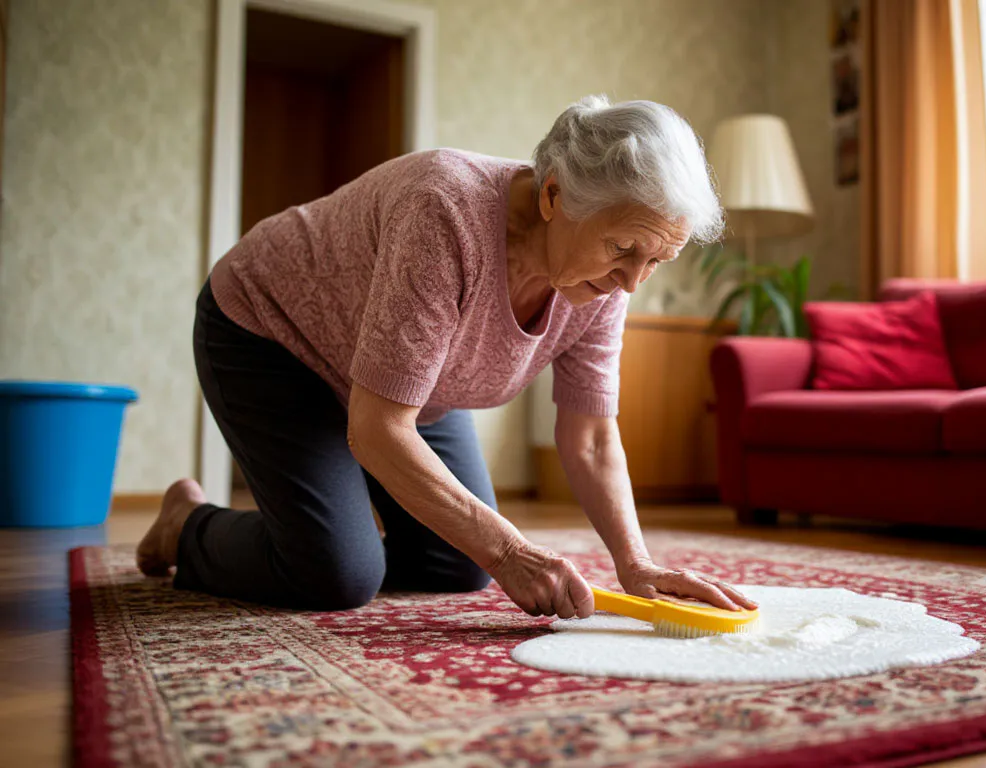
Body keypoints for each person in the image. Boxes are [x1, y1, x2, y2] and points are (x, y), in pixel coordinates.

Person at [137, 95, 757, 620]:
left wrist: (636, 563)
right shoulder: (445, 210)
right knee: (337, 574)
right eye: (624, 250)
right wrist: (509, 550)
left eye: (655, 261)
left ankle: (340, 521)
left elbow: (591, 437)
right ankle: (185, 524)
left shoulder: (606, 278)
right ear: (552, 195)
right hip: (270, 332)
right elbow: (378, 431)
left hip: (410, 390)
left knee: (458, 566)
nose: (632, 282)